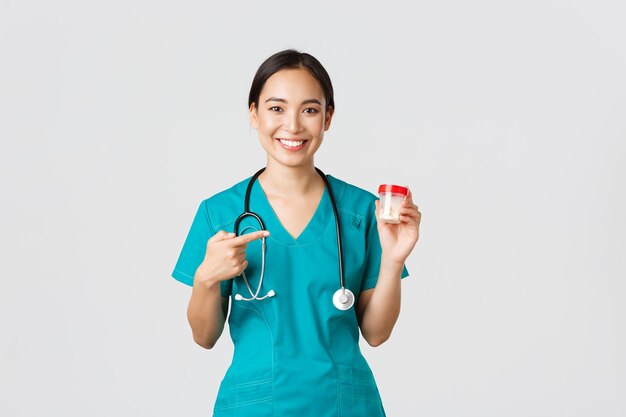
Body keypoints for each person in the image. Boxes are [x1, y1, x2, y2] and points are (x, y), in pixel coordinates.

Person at [171, 49, 421, 417]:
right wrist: (207, 278)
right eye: (276, 108)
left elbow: (376, 333)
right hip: (256, 406)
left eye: (309, 109)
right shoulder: (220, 213)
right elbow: (204, 337)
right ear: (253, 113)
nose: (292, 126)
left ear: (328, 117)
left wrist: (393, 262)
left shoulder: (361, 212)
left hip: (345, 407)